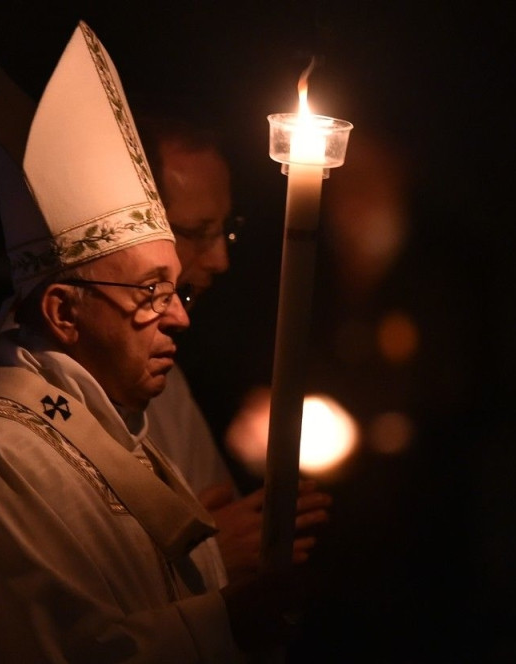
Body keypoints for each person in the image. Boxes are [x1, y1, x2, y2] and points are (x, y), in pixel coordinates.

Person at [0, 22, 319, 662]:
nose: (180, 319)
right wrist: (220, 619)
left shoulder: (113, 425)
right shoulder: (1, 457)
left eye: (176, 291)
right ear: (63, 311)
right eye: (150, 293)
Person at [137, 116, 331, 582]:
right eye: (197, 231)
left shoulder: (167, 384)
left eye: (225, 230)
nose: (221, 259)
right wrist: (201, 565)